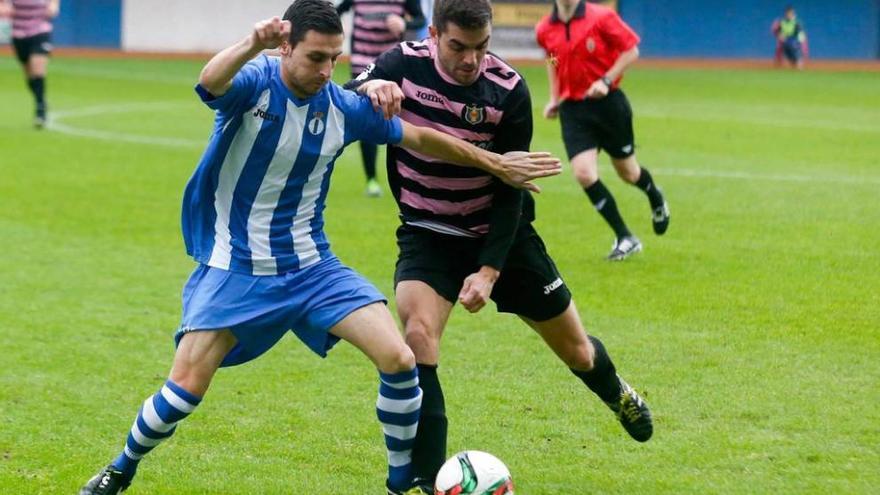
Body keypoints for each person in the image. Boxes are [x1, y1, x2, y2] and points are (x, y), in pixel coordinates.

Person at [78, 1, 562, 494]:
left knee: (399, 359)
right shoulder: (255, 83)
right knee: (185, 388)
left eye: (335, 58)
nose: (327, 70)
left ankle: (402, 484)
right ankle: (122, 467)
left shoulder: (342, 106)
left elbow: (420, 136)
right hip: (238, 267)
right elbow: (209, 82)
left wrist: (495, 163)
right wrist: (250, 44)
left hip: (313, 268)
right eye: (316, 58)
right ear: (284, 46)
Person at [350, 0, 654, 492]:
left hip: (501, 234)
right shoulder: (401, 63)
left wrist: (489, 271)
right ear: (433, 34)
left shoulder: (509, 89)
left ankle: (617, 392)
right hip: (428, 232)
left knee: (577, 351)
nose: (471, 60)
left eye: (481, 46)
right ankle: (429, 481)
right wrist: (370, 85)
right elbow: (351, 87)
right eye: (458, 47)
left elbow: (513, 188)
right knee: (419, 335)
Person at [536, 0, 670, 261]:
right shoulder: (544, 28)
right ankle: (625, 237)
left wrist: (606, 80)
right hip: (573, 110)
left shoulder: (602, 17)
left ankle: (655, 195)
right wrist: (554, 97)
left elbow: (631, 50)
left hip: (609, 106)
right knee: (584, 174)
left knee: (629, 173)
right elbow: (552, 59)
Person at [336, 0, 427, 197]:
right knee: (366, 118)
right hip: (362, 67)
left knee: (398, 119)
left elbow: (420, 20)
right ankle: (372, 180)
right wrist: (336, 28)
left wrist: (405, 24)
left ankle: (411, 178)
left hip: (392, 67)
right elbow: (336, 10)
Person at [0, 0, 59, 128]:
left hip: (40, 32)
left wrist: (54, 6)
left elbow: (54, 5)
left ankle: (40, 110)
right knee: (29, 74)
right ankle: (41, 97)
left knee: (38, 69)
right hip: (19, 34)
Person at [772, 5, 807, 69]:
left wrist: (801, 41)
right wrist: (779, 35)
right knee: (781, 48)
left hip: (795, 40)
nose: (789, 15)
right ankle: (780, 64)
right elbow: (776, 31)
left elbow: (801, 33)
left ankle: (799, 62)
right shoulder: (781, 22)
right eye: (788, 13)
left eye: (791, 13)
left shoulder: (796, 22)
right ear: (785, 14)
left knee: (793, 46)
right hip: (784, 41)